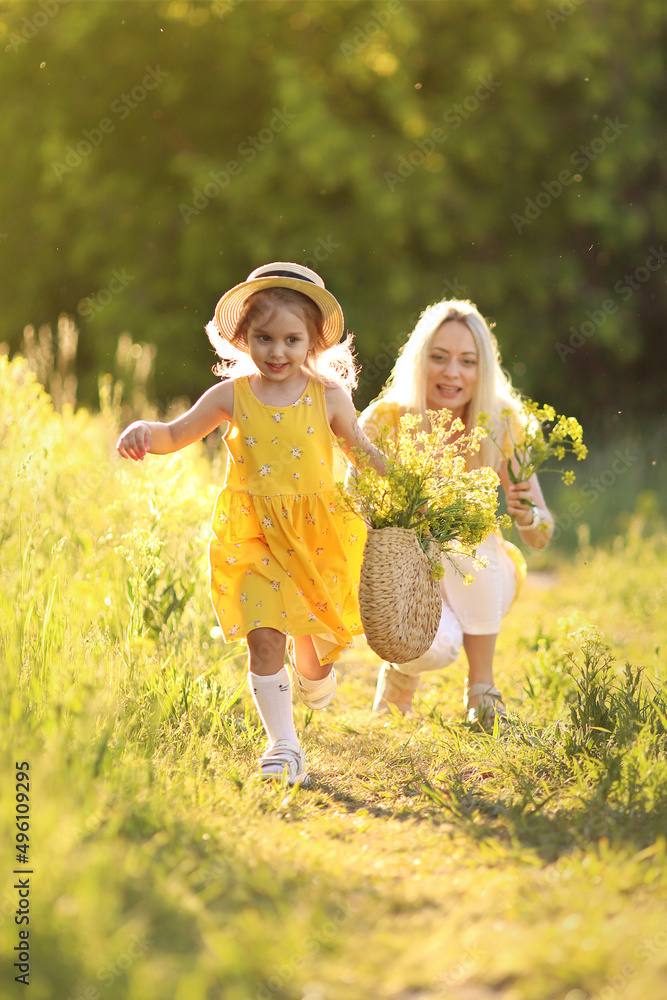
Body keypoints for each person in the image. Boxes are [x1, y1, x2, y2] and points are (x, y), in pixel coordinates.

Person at [117, 262, 383, 784]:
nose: (277, 352)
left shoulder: (327, 396)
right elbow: (175, 433)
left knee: (313, 664)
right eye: (264, 338)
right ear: (242, 338)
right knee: (264, 638)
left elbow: (362, 451)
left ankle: (309, 674)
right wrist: (142, 430)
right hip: (252, 533)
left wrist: (408, 488)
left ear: (312, 342)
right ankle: (284, 745)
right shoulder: (231, 395)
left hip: (313, 535)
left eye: (291, 339)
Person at [357, 298, 554, 729]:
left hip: (484, 577)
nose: (453, 373)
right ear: (419, 360)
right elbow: (355, 507)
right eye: (439, 358)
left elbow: (542, 532)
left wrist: (528, 518)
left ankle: (481, 688)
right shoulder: (386, 421)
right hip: (411, 578)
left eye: (467, 361)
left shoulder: (503, 421)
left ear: (482, 368)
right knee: (437, 647)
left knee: (469, 538)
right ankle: (400, 672)